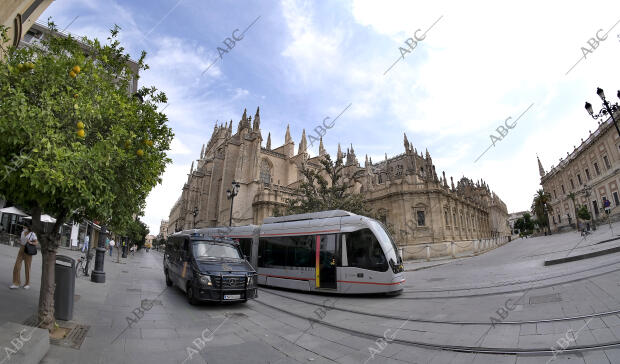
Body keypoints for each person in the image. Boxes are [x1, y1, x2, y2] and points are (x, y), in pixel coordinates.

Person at [11, 224, 38, 289]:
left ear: (28, 227)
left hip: (28, 250)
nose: (23, 227)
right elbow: (22, 240)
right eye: (23, 226)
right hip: (21, 249)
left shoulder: (32, 233)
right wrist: (20, 241)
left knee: (27, 267)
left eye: (25, 226)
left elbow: (36, 242)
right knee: (17, 266)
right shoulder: (22, 232)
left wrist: (30, 242)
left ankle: (27, 283)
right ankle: (16, 283)